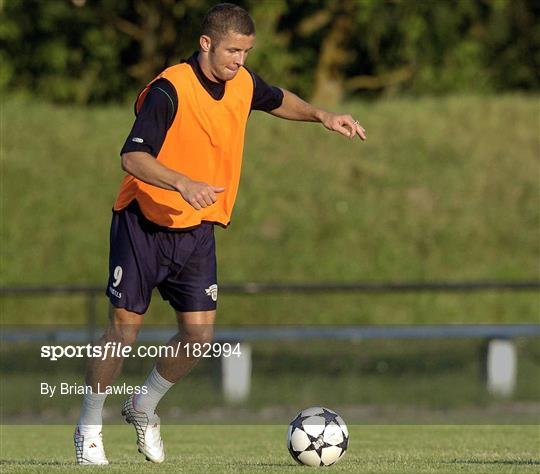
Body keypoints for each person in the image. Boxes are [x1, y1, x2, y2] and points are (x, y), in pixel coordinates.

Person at [74, 3, 366, 466]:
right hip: (143, 222)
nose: (240, 61)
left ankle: (143, 404)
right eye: (233, 50)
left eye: (247, 52)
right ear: (206, 43)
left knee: (199, 336)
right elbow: (132, 157)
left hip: (195, 229)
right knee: (123, 332)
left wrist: (321, 115)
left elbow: (274, 98)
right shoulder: (170, 90)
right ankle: (89, 426)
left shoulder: (242, 82)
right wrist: (182, 181)